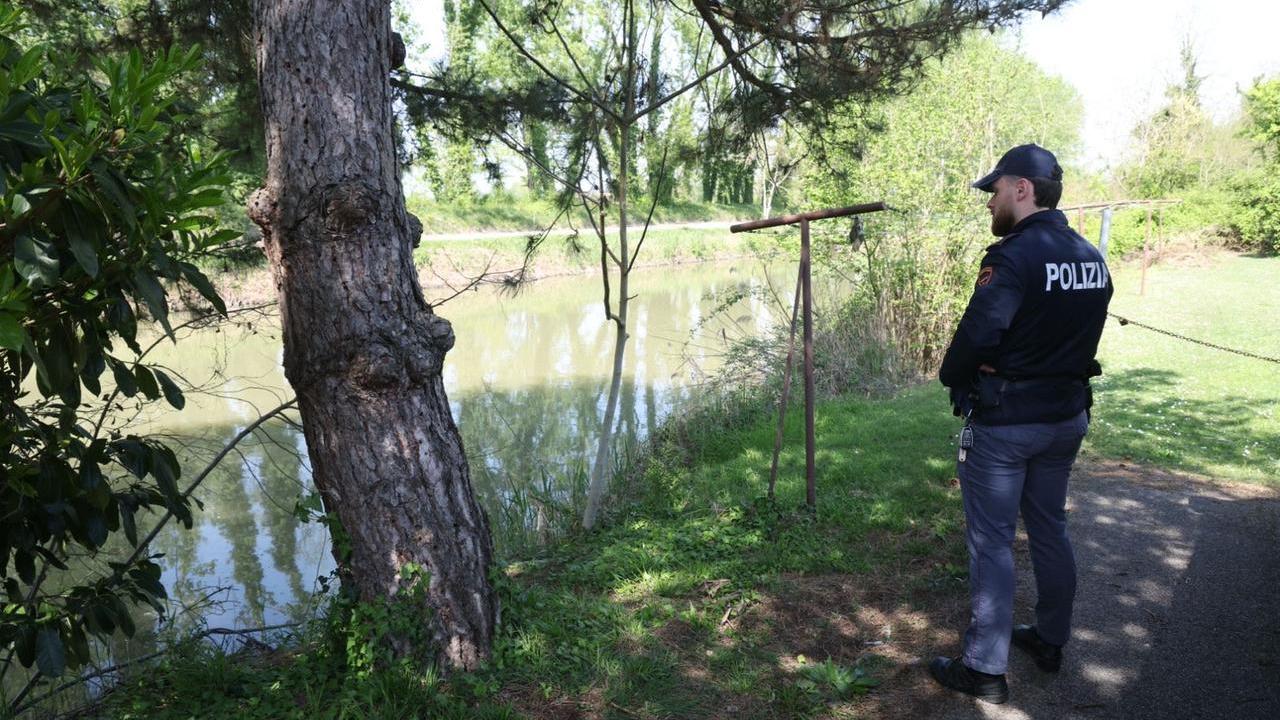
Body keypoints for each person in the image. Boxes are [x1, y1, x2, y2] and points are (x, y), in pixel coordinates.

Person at [928, 144, 1113, 704]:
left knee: (991, 541)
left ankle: (984, 668)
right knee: (1050, 527)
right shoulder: (1090, 256)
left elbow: (980, 334)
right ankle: (1051, 639)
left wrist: (954, 374)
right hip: (1065, 418)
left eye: (996, 190)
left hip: (1008, 423)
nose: (991, 203)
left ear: (1023, 188)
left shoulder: (1012, 258)